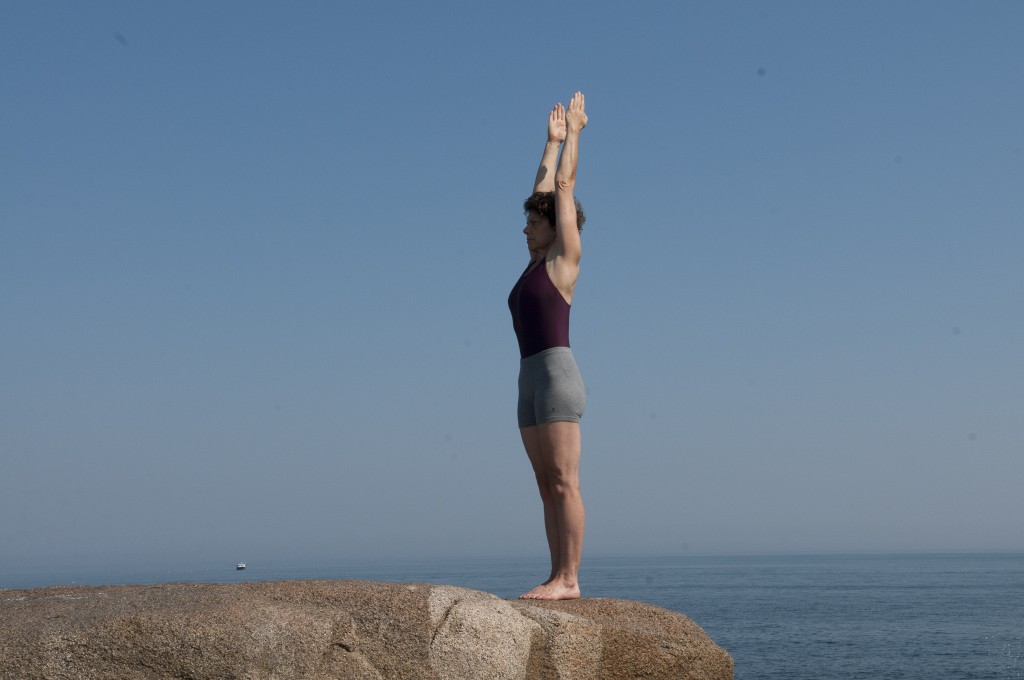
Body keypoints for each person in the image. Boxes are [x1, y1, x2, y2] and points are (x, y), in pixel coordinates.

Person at [508, 92, 588, 600]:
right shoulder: (533, 265)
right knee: (544, 484)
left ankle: (570, 578)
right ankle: (555, 572)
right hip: (528, 379)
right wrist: (549, 141)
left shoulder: (564, 261)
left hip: (558, 377)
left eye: (533, 223)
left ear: (554, 229)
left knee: (564, 481)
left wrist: (574, 135)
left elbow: (560, 187)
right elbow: (542, 186)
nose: (524, 227)